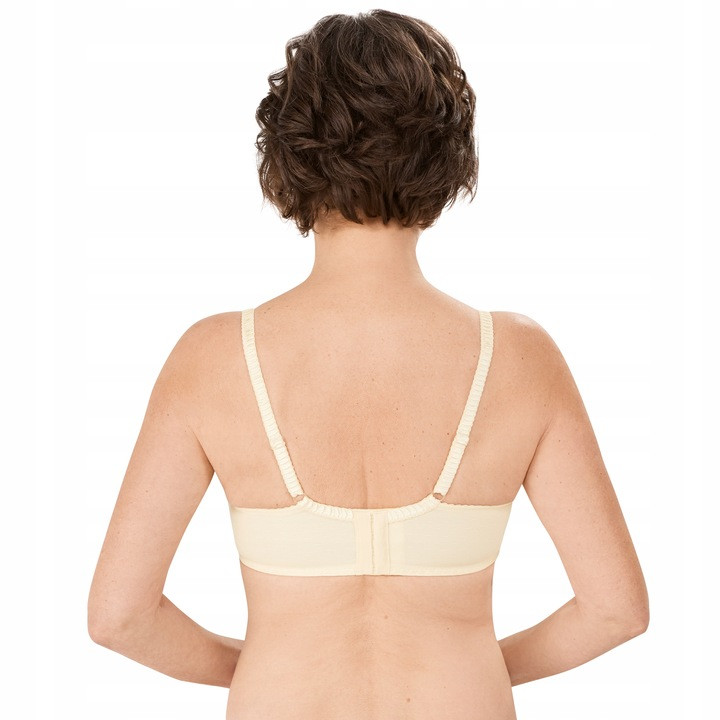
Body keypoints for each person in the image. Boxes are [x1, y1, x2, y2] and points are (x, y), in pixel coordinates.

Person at [87, 9, 649, 718]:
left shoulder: (214, 358)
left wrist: (262, 663)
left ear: (287, 154)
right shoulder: (518, 357)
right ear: (445, 157)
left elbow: (120, 616)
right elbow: (615, 610)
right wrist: (470, 665)